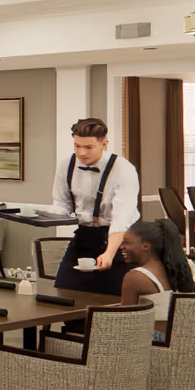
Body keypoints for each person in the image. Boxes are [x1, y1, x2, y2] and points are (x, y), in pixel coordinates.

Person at [49, 117, 141, 295]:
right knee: (64, 289)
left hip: (119, 240)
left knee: (111, 298)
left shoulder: (123, 169)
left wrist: (109, 253)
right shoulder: (66, 165)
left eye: (88, 147)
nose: (81, 153)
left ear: (104, 144)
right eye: (77, 146)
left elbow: (121, 219)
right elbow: (62, 204)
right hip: (84, 235)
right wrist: (42, 217)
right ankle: (73, 324)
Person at [119, 218, 193, 344]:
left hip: (153, 342)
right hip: (179, 338)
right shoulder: (181, 267)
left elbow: (126, 322)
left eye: (127, 243)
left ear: (146, 246)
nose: (122, 247)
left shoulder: (135, 277)